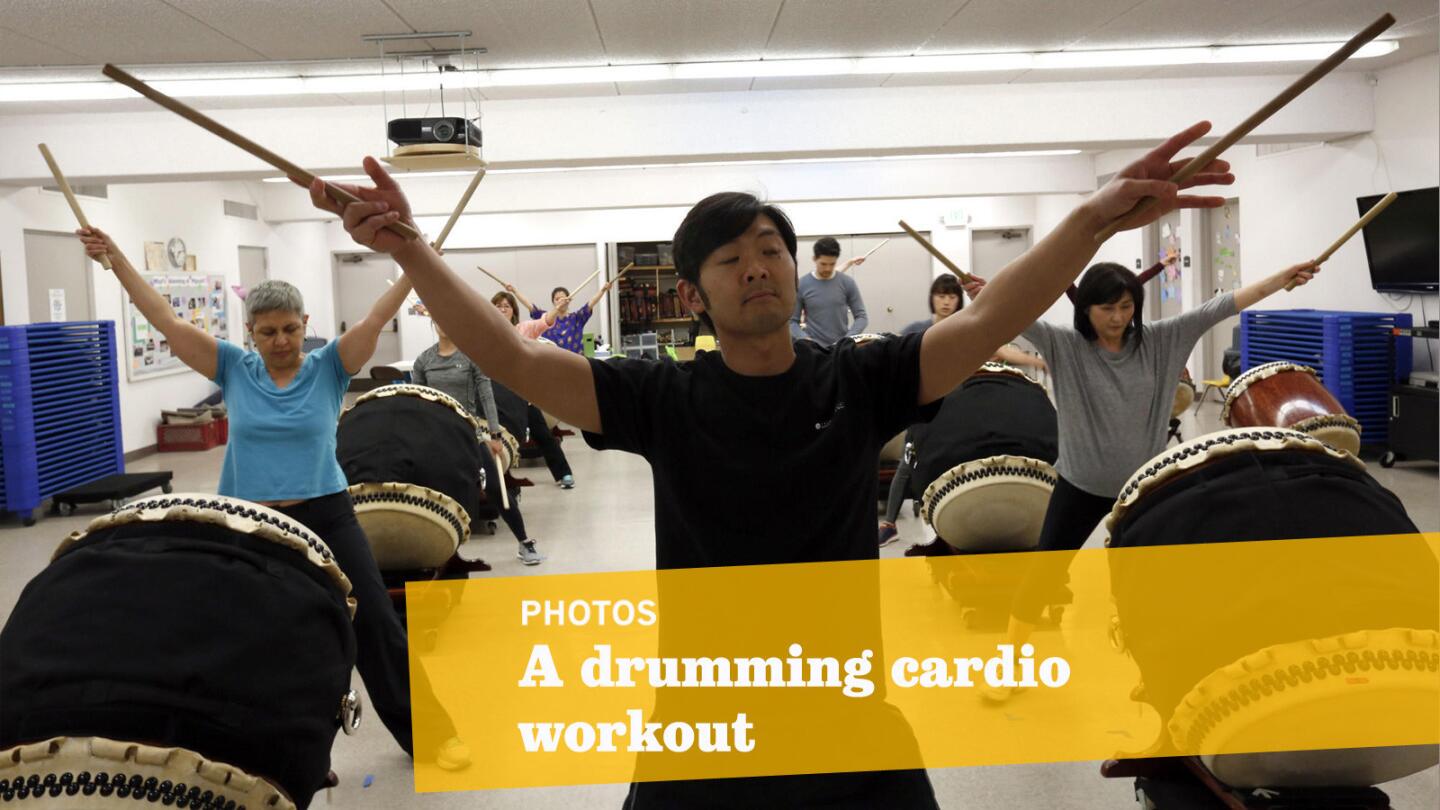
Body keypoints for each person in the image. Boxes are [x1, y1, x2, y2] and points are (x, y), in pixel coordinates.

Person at [307, 121, 1235, 806]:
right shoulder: (660, 397)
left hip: (847, 699)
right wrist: (411, 252)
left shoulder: (866, 380)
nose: (759, 267)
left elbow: (989, 321)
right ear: (692, 292)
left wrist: (1092, 223)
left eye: (771, 251)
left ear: (795, 271)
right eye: (731, 257)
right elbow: (514, 360)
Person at [74, 227, 470, 770]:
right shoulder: (233, 368)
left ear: (305, 325)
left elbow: (377, 316)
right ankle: (266, 749)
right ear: (250, 333)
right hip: (249, 519)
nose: (280, 340)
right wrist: (114, 258)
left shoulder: (330, 366)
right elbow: (166, 319)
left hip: (327, 512)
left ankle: (432, 734)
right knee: (245, 630)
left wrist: (416, 262)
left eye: (289, 328)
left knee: (375, 618)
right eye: (267, 332)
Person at [964, 257, 1318, 703]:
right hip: (1079, 484)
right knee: (1042, 575)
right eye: (1106, 309)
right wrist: (988, 292)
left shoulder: (1162, 340)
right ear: (1086, 309)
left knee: (1150, 589)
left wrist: (1280, 278)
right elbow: (1009, 313)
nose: (1118, 319)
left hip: (1144, 488)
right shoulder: (1064, 346)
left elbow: (1224, 305)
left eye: (1127, 307)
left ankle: (1154, 674)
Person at [879, 274, 1047, 546]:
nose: (946, 301)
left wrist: (1036, 363)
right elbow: (893, 355)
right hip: (925, 403)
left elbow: (1002, 350)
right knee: (909, 457)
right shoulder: (918, 329)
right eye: (941, 296)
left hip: (957, 403)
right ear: (932, 298)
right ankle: (889, 524)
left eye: (951, 296)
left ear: (958, 300)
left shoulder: (968, 325)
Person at [412, 318, 545, 565]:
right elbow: (418, 403)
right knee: (443, 494)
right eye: (438, 318)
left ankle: (524, 543)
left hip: (469, 434)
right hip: (438, 438)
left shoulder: (470, 358)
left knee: (495, 487)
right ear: (433, 323)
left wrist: (494, 435)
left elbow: (486, 395)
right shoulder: (424, 361)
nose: (443, 323)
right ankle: (445, 553)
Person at [491, 291, 577, 489]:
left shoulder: (523, 329)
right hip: (497, 396)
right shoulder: (488, 332)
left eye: (506, 306)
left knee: (543, 434)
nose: (501, 309)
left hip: (522, 395)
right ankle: (502, 479)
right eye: (497, 306)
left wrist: (558, 308)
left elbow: (544, 321)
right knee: (500, 438)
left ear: (513, 311)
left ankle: (563, 473)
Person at [789, 236, 869, 345]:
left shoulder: (847, 283)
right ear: (814, 259)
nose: (827, 268)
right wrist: (804, 339)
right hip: (813, 350)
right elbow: (792, 321)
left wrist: (848, 339)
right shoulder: (802, 285)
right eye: (823, 264)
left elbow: (861, 317)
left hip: (841, 349)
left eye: (832, 264)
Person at [507, 277, 618, 354]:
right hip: (550, 364)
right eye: (557, 299)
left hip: (575, 363)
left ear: (568, 300)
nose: (560, 301)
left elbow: (591, 303)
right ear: (553, 302)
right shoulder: (544, 318)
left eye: (563, 298)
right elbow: (529, 305)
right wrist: (514, 291)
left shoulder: (577, 318)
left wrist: (603, 290)